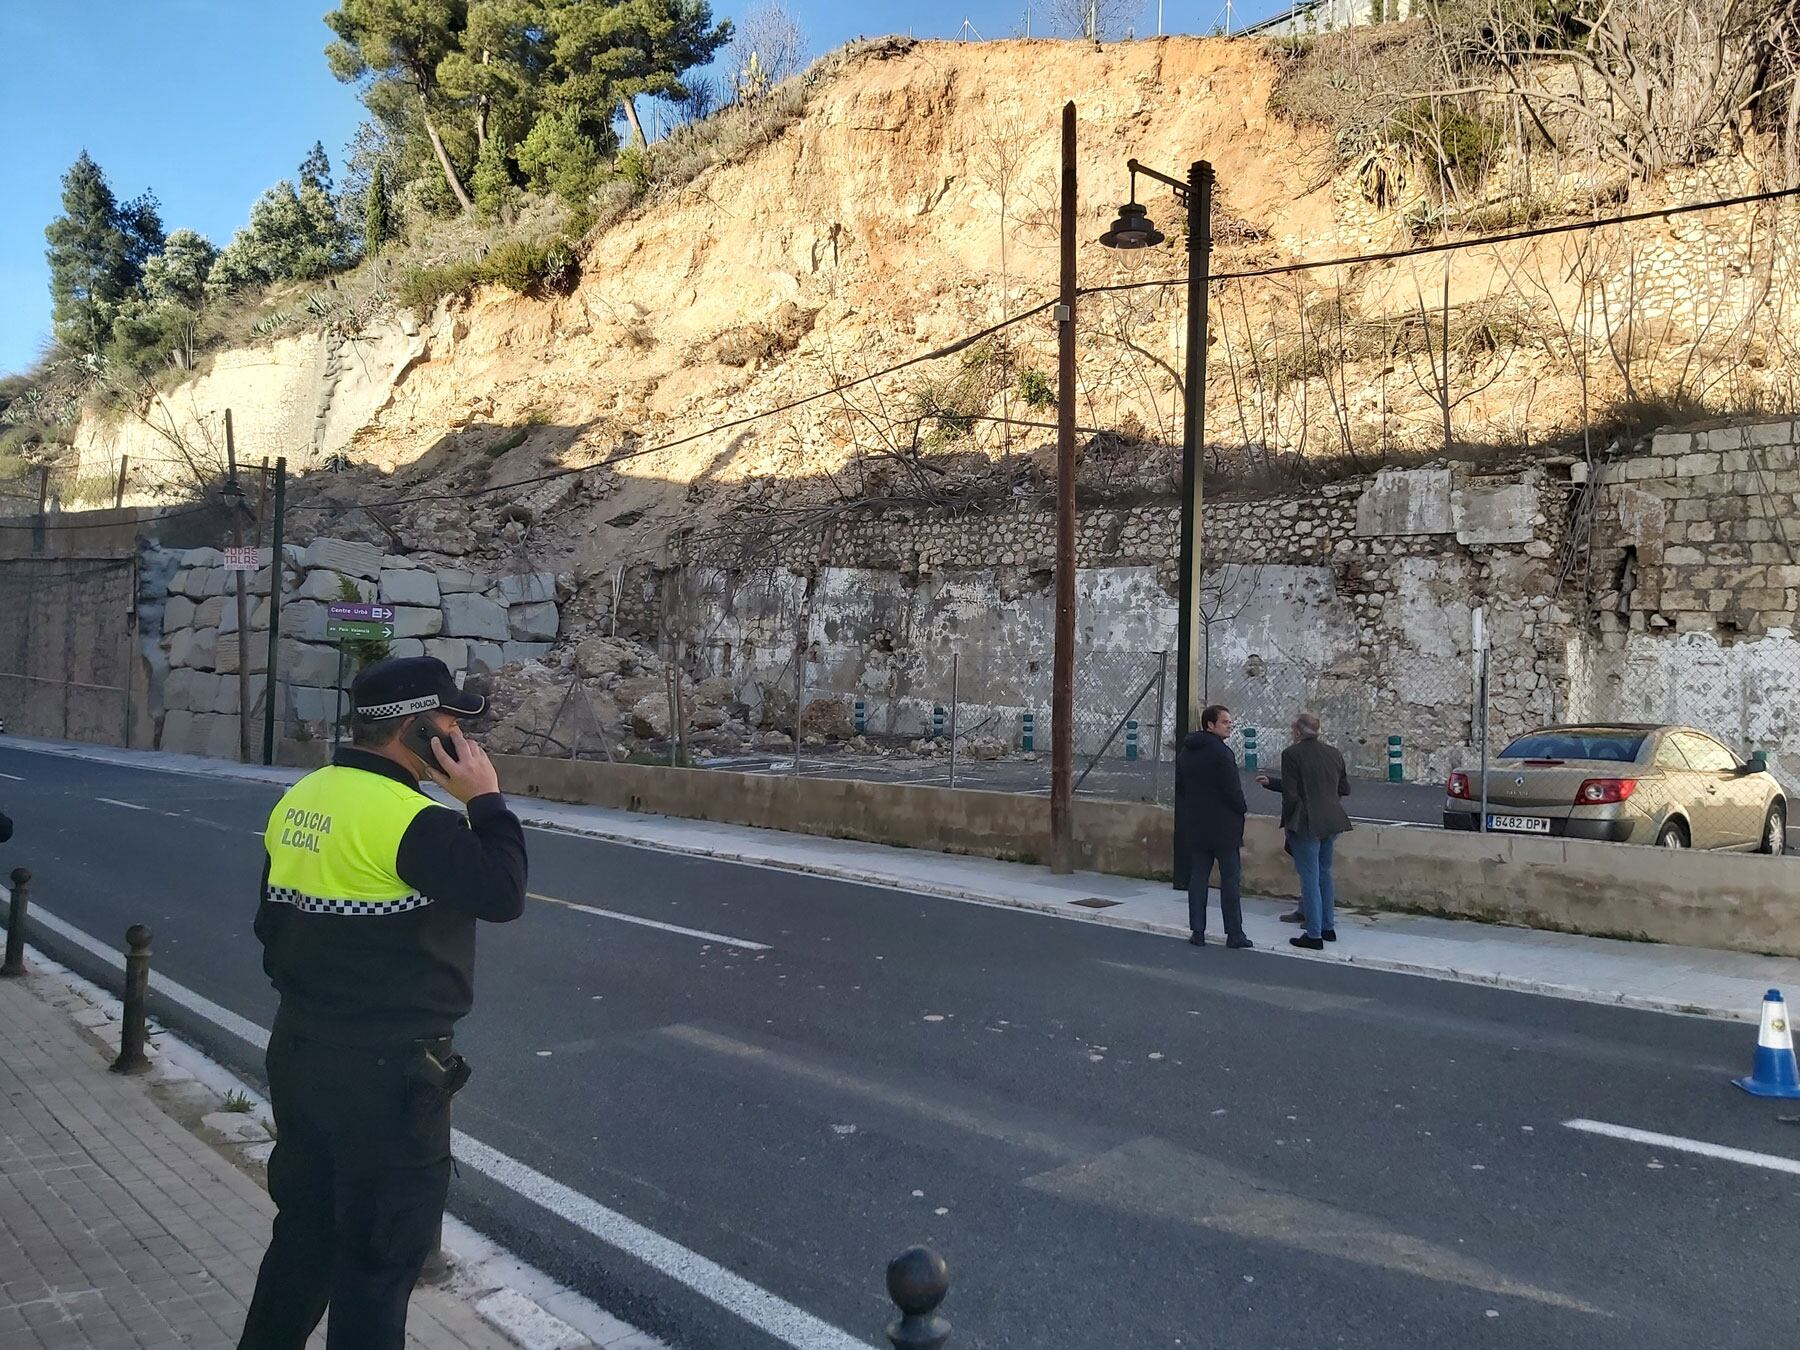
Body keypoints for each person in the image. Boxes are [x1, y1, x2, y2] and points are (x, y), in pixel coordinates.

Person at [240, 656, 527, 1350]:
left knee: (304, 1238)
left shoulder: (304, 797)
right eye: (453, 722)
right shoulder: (413, 821)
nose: (463, 734)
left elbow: (271, 924)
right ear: (419, 729)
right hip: (388, 1078)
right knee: (378, 1262)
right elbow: (503, 893)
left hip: (302, 1051)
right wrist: (485, 800)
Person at [1256, 711, 1351, 951]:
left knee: (1309, 876)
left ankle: (1314, 933)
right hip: (1331, 820)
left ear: (1297, 731)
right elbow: (1343, 788)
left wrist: (1290, 824)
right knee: (1324, 873)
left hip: (1305, 822)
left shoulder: (1291, 754)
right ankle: (1328, 927)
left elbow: (1292, 793)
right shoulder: (1334, 753)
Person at [1175, 705, 1253, 949]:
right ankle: (1234, 933)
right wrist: (1241, 808)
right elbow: (1232, 790)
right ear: (1210, 724)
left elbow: (1181, 788)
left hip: (1197, 823)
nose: (1230, 725)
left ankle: (1197, 931)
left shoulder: (1185, 753)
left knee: (1198, 876)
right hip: (1224, 826)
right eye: (1225, 722)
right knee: (1230, 879)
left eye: (1230, 721)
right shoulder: (1222, 753)